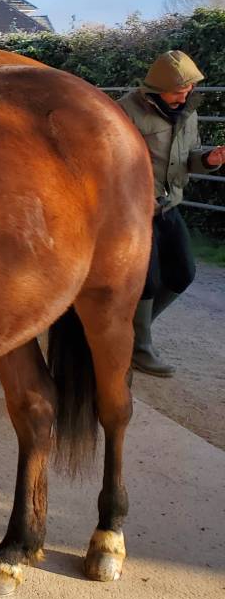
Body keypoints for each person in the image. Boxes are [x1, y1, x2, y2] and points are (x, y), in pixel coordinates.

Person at [118, 50, 225, 377]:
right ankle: (139, 348)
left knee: (183, 273)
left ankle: (130, 332)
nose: (186, 94)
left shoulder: (187, 111)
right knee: (146, 281)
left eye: (190, 88)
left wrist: (209, 160)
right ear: (157, 87)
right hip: (134, 209)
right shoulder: (125, 111)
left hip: (169, 205)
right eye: (180, 90)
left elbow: (188, 158)